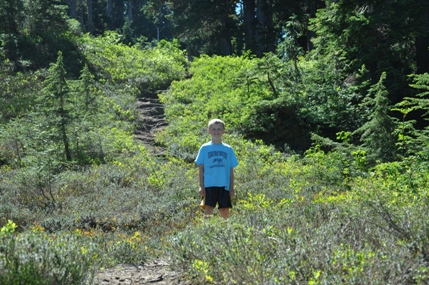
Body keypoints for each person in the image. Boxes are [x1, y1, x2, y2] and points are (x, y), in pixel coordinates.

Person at [195, 119, 239, 218]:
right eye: (213, 129)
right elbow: (201, 169)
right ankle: (206, 230)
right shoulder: (204, 148)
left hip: (224, 185)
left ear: (223, 131)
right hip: (209, 184)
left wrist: (231, 187)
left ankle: (226, 230)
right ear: (209, 131)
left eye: (219, 129)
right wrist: (201, 186)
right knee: (208, 208)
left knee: (224, 209)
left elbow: (230, 170)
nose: (216, 131)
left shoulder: (228, 149)